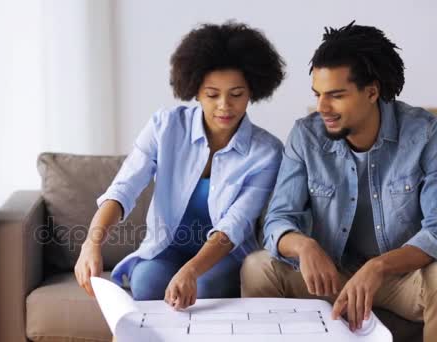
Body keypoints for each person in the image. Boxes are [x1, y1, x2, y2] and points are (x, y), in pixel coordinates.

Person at [241, 21, 437, 339]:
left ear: (372, 92)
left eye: (335, 95)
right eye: (318, 94)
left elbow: (436, 229)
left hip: (398, 278)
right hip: (331, 274)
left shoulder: (424, 134)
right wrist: (305, 247)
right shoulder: (305, 136)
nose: (322, 107)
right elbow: (278, 219)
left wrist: (379, 267)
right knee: (257, 267)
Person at [74, 21, 285, 310]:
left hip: (225, 254)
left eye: (236, 94)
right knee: (146, 283)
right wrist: (92, 243)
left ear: (253, 92)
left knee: (205, 288)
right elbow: (124, 188)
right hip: (168, 248)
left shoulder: (267, 152)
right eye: (212, 94)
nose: (224, 105)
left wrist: (191, 271)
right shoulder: (165, 126)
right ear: (195, 90)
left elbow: (235, 225)